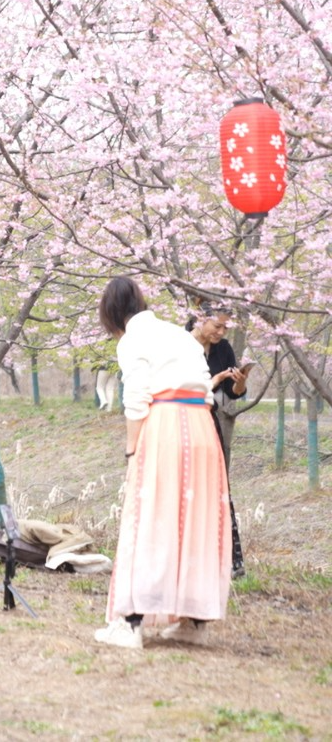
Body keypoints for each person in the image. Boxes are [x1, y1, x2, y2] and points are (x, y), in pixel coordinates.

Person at [95, 277, 231, 649]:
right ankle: (194, 621)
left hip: (165, 425)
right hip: (202, 429)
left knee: (150, 517)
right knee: (197, 520)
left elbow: (136, 397)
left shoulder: (133, 340)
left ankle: (131, 623)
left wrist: (131, 447)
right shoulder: (178, 334)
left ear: (110, 313)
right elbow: (205, 389)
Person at [186, 304, 249, 579]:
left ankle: (231, 561)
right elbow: (181, 389)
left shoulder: (223, 349)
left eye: (226, 328)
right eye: (217, 326)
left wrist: (239, 383)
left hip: (209, 420)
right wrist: (211, 382)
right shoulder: (179, 345)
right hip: (183, 417)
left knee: (218, 484)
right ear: (200, 319)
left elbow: (232, 394)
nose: (221, 333)